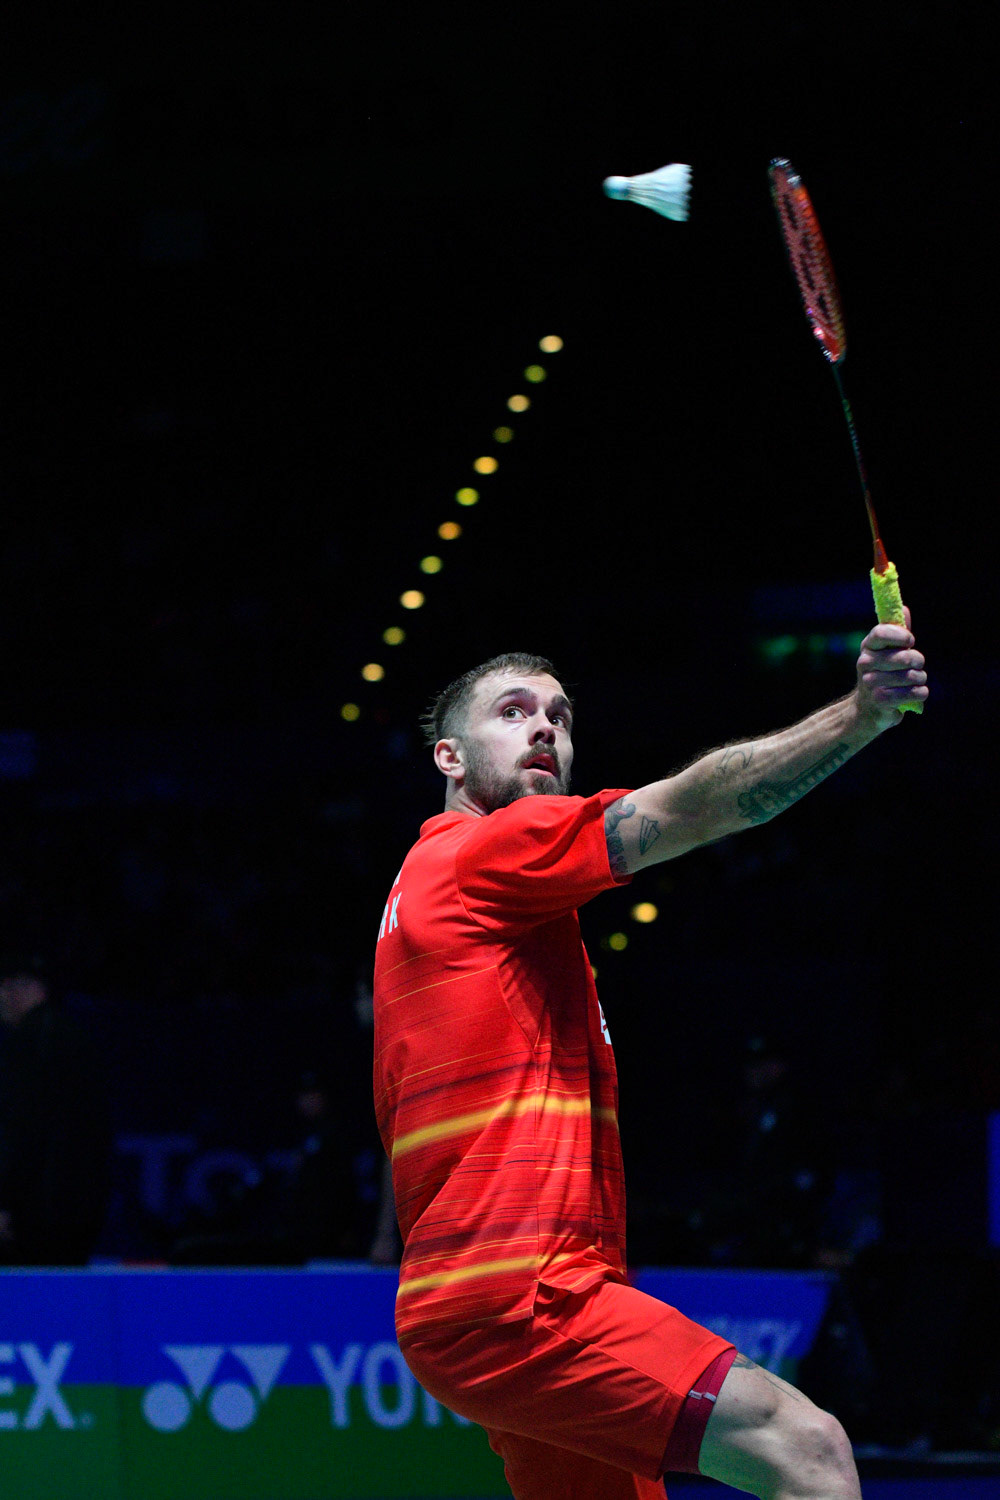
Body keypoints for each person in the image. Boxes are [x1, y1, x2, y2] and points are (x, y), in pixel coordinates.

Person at [372, 627, 927, 1500]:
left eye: (559, 714)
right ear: (448, 755)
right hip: (528, 1296)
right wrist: (859, 716)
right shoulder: (476, 855)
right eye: (512, 713)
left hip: (480, 1303)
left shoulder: (462, 902)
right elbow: (698, 804)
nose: (544, 729)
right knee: (807, 1450)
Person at [0, 954, 112, 1265]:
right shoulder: (80, 1039)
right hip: (84, 1210)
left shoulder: (26, 1042)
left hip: (37, 1213)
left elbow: (23, 1130)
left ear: (16, 988)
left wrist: (5, 1202)